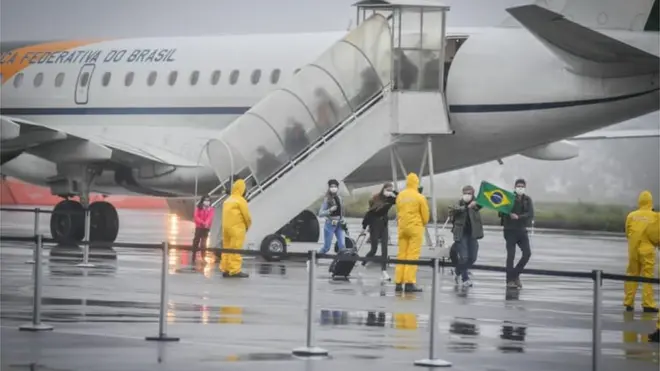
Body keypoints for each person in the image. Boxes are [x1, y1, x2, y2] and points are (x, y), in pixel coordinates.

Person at [394, 173, 430, 293]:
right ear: (416, 183)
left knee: (401, 255)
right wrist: (422, 223)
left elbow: (398, 210)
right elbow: (425, 216)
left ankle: (398, 282)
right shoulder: (420, 197)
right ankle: (409, 283)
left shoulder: (400, 196)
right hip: (415, 229)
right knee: (412, 255)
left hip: (402, 228)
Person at [624, 191, 658, 313]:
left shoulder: (631, 215)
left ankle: (628, 302)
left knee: (632, 274)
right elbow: (657, 234)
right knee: (647, 276)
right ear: (650, 202)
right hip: (647, 250)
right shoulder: (655, 216)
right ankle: (648, 304)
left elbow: (628, 233)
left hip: (633, 249)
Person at [499, 178, 534, 289]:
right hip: (509, 230)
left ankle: (515, 275)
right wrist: (508, 213)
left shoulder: (527, 200)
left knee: (527, 253)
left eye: (522, 186)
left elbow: (530, 213)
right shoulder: (508, 198)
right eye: (518, 186)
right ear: (514, 187)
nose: (520, 188)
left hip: (522, 230)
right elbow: (500, 212)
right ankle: (509, 280)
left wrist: (519, 217)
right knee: (511, 255)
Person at [361, 182, 398, 282]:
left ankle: (384, 271)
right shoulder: (376, 198)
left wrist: (394, 192)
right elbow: (369, 214)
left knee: (384, 249)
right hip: (374, 224)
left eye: (390, 190)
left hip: (384, 225)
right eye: (387, 190)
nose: (389, 192)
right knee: (374, 249)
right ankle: (363, 263)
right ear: (383, 189)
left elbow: (400, 199)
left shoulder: (390, 199)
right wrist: (364, 226)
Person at [449, 185, 484, 288]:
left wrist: (476, 203)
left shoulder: (476, 204)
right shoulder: (459, 203)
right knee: (464, 257)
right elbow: (454, 210)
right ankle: (465, 279)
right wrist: (466, 207)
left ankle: (457, 271)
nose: (467, 195)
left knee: (472, 257)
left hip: (472, 234)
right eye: (465, 193)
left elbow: (482, 203)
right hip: (461, 233)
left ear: (473, 194)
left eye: (469, 193)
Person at [220, 179, 252, 278]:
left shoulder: (228, 200)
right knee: (236, 249)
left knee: (226, 249)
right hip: (237, 228)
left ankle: (225, 269)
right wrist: (248, 225)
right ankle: (235, 270)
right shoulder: (241, 200)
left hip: (226, 228)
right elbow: (246, 216)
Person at [318, 179, 346, 254]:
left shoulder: (339, 198)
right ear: (329, 188)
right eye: (331, 186)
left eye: (335, 186)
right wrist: (330, 210)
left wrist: (343, 219)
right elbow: (320, 214)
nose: (333, 188)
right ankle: (313, 258)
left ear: (337, 188)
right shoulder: (327, 199)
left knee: (342, 246)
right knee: (326, 247)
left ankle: (342, 263)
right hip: (330, 224)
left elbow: (341, 211)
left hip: (339, 224)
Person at [191, 195, 214, 265]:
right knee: (196, 241)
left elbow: (210, 217)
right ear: (202, 201)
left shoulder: (211, 209)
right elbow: (196, 217)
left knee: (203, 243)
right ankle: (193, 255)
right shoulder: (198, 208)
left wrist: (206, 223)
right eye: (205, 200)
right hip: (199, 227)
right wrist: (202, 222)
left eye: (208, 200)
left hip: (206, 228)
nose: (207, 202)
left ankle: (203, 257)